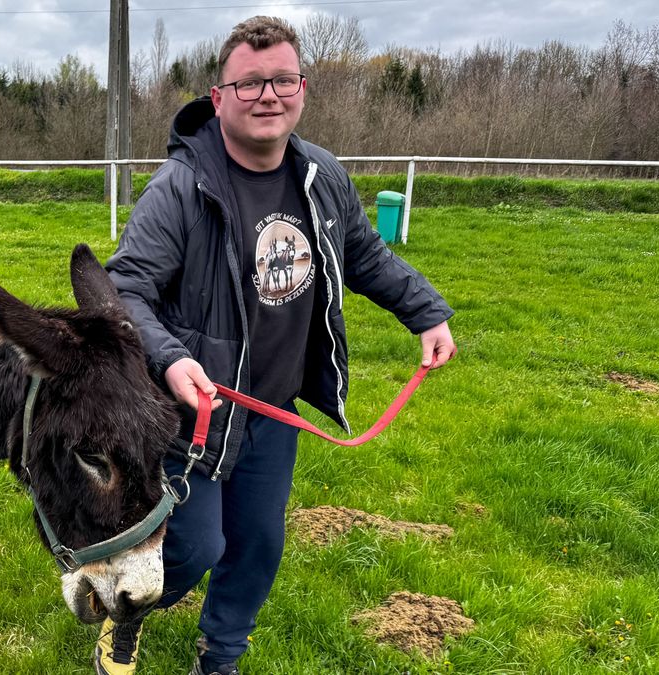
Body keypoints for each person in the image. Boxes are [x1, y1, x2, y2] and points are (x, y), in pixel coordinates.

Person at [95, 15, 457, 675]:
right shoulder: (180, 188)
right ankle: (128, 614)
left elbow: (365, 256)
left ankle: (222, 655)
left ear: (303, 88)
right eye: (250, 82)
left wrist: (426, 313)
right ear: (219, 97)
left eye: (282, 80)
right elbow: (123, 290)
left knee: (257, 545)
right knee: (194, 547)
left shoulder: (321, 177)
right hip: (190, 415)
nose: (268, 95)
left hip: (272, 410)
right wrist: (171, 359)